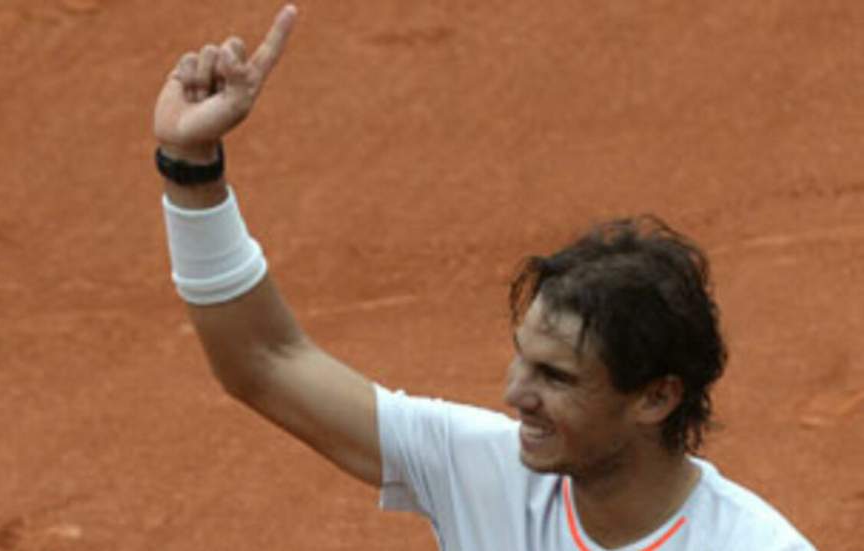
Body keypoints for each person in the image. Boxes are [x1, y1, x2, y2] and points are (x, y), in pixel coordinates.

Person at [151, 5, 816, 549]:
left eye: (556, 376)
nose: (514, 393)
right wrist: (190, 165)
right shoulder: (479, 467)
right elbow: (263, 360)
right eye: (524, 360)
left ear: (656, 397)